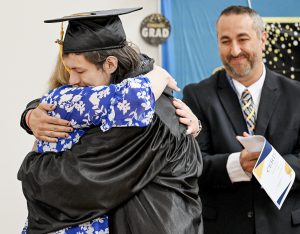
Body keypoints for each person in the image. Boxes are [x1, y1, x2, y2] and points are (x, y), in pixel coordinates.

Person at [18, 7, 203, 234]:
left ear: (110, 64)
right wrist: (30, 114)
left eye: (79, 71)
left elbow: (74, 184)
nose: (72, 81)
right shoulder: (127, 92)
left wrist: (31, 169)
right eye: (69, 70)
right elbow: (76, 101)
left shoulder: (139, 115)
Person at [183, 5, 300, 234]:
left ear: (263, 39)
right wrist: (237, 164)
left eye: (243, 39)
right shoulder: (197, 96)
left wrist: (266, 163)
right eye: (225, 41)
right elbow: (190, 165)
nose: (234, 50)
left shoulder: (296, 95)